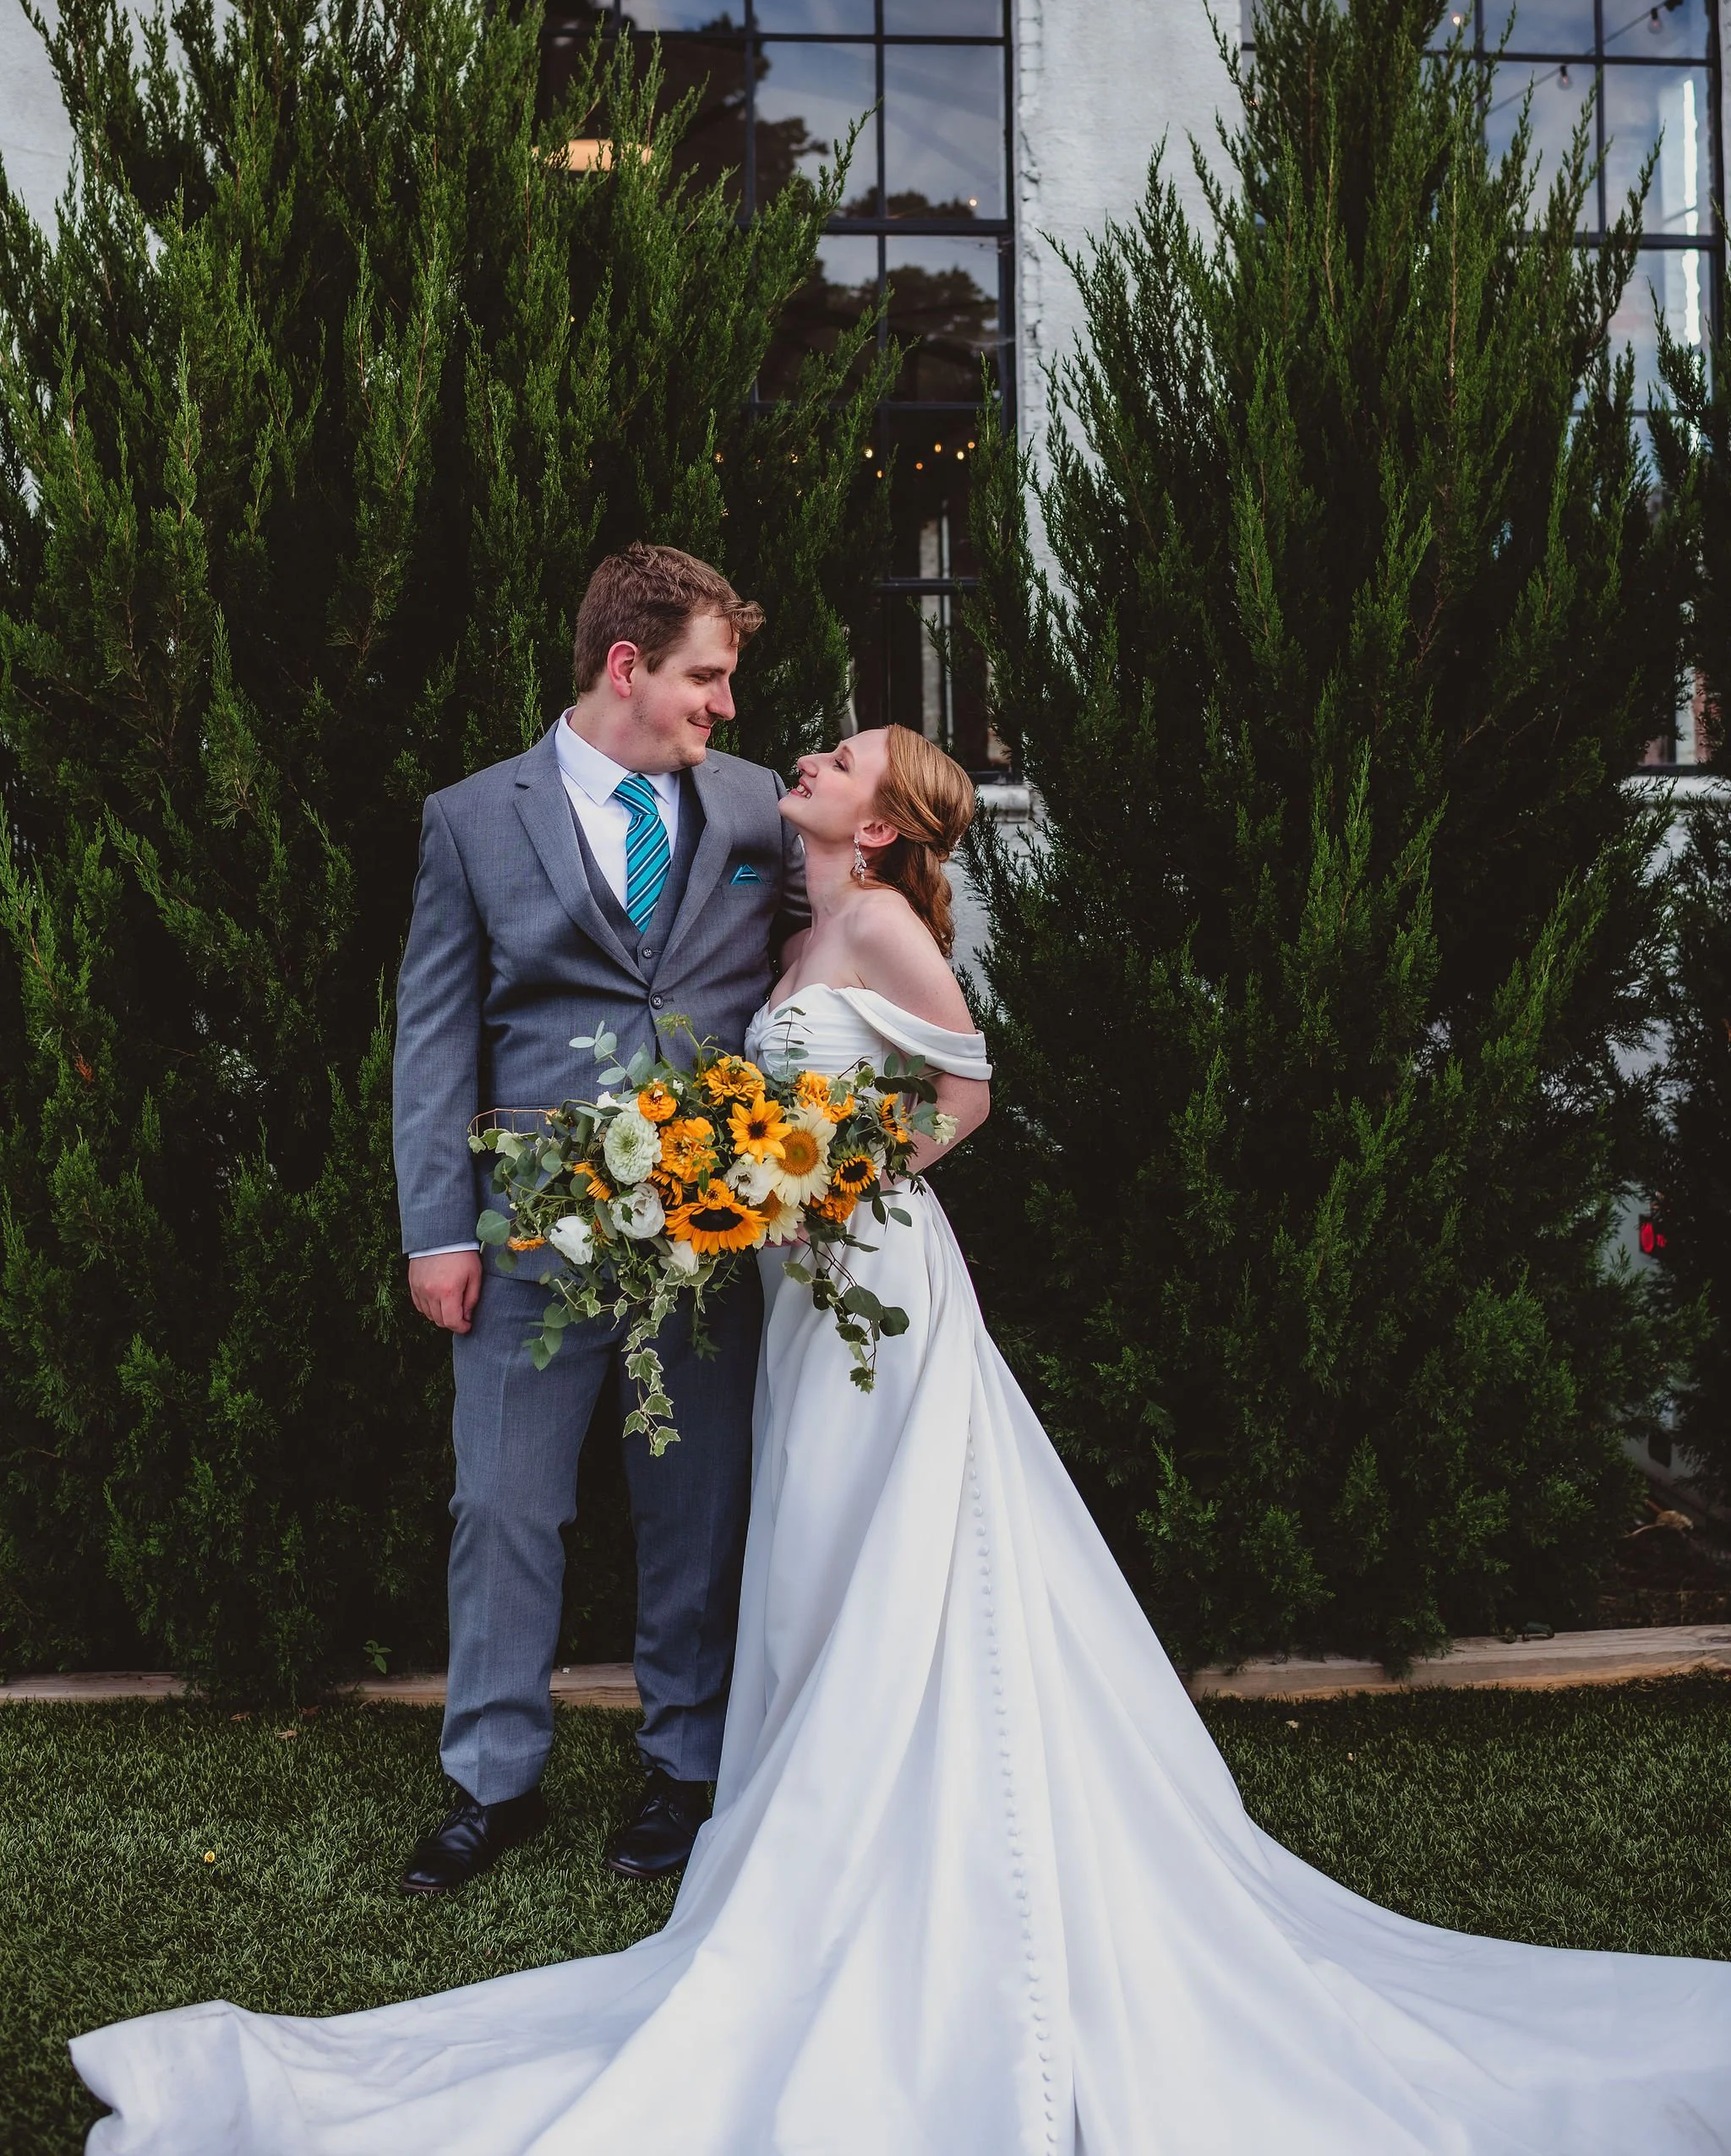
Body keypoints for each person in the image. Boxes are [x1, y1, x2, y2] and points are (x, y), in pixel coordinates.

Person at [74, 727, 1731, 2153]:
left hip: (874, 1292)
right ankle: (811, 1830)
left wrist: (827, 1177)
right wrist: (707, 1168)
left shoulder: (881, 933)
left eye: (841, 757)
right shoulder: (805, 921)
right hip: (799, 1302)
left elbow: (966, 1098)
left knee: (894, 1562)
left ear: (873, 821)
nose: (808, 755)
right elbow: (765, 1105)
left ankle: (905, 1860)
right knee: (808, 1562)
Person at [389, 542, 806, 1894]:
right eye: (706, 677)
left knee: (698, 1506)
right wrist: (434, 1229)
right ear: (625, 668)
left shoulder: (754, 811)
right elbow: (437, 1036)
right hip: (525, 1235)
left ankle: (682, 1771)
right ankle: (491, 1783)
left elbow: (828, 951)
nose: (724, 708)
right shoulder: (470, 818)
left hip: (709, 1230)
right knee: (502, 1507)